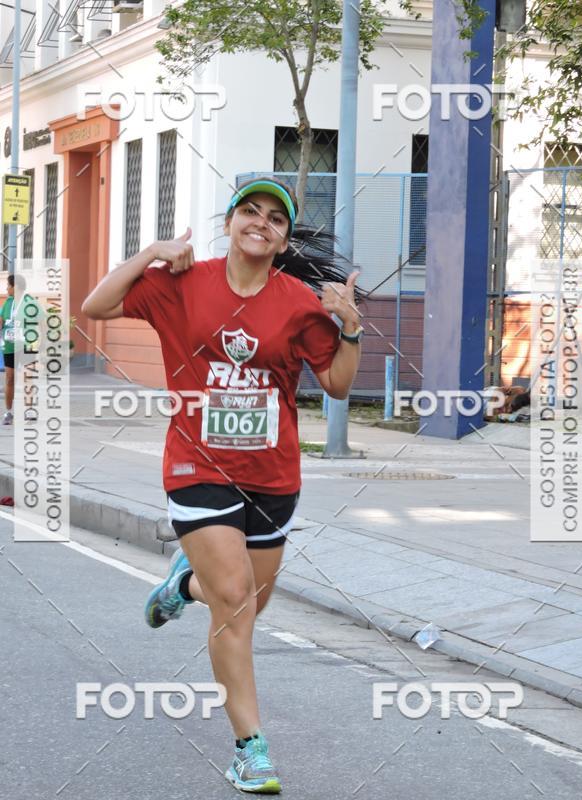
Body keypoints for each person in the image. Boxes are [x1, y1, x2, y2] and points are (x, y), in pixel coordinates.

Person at [82, 178, 363, 793]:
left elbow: (339, 384)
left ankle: (183, 583)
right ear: (231, 221)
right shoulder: (184, 282)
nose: (260, 223)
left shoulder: (297, 301)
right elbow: (95, 307)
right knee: (234, 598)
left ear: (284, 237)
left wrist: (350, 328)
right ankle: (249, 749)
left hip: (273, 475)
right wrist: (151, 252)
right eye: (249, 211)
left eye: (275, 219)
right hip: (197, 465)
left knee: (249, 605)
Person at [0, 273, 42, 425]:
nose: (6, 288)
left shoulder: (30, 302)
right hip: (10, 346)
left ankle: (29, 410)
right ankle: (9, 412)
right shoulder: (7, 303)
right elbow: (1, 321)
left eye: (8, 286)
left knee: (28, 377)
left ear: (15, 287)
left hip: (27, 345)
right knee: (9, 378)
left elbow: (42, 321)